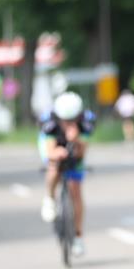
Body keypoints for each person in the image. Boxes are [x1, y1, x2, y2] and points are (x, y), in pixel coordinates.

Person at [39, 91, 96, 257]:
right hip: (53, 144)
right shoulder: (49, 122)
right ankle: (49, 198)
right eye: (65, 120)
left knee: (76, 189)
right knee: (54, 168)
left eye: (72, 120)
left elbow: (82, 152)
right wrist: (56, 153)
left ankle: (78, 237)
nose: (69, 123)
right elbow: (49, 150)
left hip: (75, 147)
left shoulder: (86, 122)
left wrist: (76, 139)